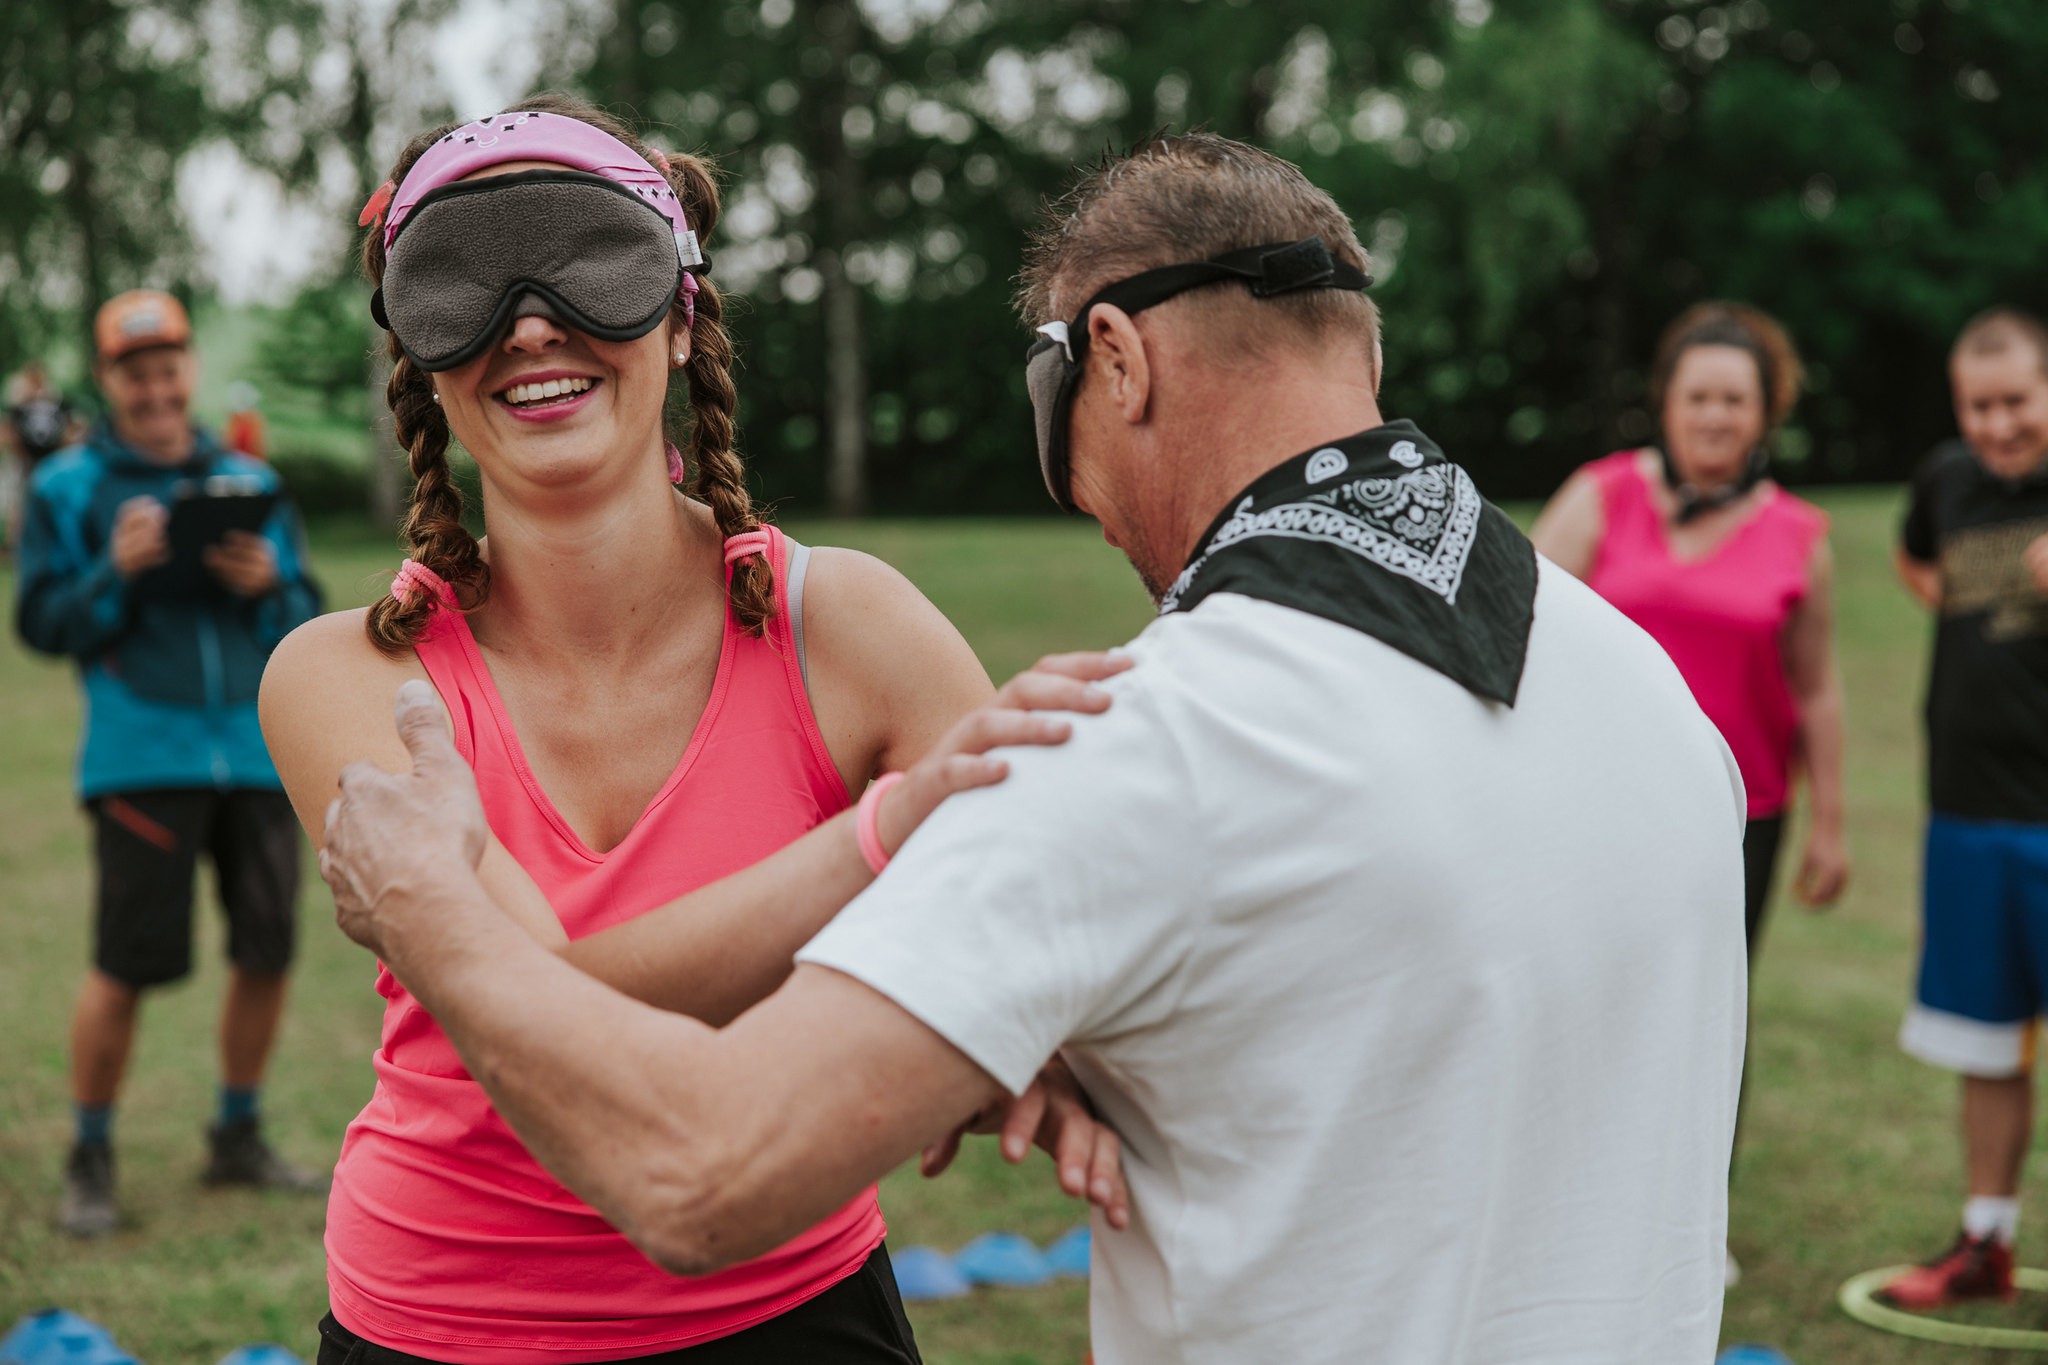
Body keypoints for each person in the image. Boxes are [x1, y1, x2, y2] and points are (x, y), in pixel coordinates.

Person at [314, 132, 1750, 1364]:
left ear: (1113, 363)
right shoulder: (1639, 683)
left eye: (1051, 409)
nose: (1075, 496)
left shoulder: (1136, 740)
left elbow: (698, 1172)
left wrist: (424, 902)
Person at [259, 97, 1122, 1363]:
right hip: (438, 1329)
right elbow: (539, 1002)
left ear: (679, 310)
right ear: (421, 351)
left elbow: (1049, 947)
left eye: (584, 263)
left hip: (795, 1310)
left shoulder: (850, 627)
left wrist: (1034, 1037)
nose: (533, 325)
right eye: (469, 287)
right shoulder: (342, 675)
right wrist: (885, 837)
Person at [13, 289, 326, 1237]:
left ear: (189, 370)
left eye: (168, 367)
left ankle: (237, 1135)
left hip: (259, 751)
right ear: (107, 379)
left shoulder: (245, 474)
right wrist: (119, 570)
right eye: (133, 371)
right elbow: (41, 620)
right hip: (141, 757)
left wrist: (269, 583)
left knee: (269, 948)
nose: (155, 387)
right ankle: (91, 1155)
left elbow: (306, 610)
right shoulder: (65, 487)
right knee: (126, 960)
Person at [1880, 307, 2048, 1310]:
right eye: (1978, 407)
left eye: (2017, 403)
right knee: (1983, 1043)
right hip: (1965, 815)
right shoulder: (1944, 480)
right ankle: (1984, 1244)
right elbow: (1912, 555)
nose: (1997, 426)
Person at [5, 362, 83, 552]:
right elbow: (9, 432)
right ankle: (17, 547)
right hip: (28, 463)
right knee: (21, 506)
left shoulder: (56, 404)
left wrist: (64, 453)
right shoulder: (21, 406)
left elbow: (73, 427)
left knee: (54, 504)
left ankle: (55, 543)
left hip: (53, 461)